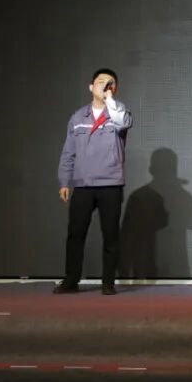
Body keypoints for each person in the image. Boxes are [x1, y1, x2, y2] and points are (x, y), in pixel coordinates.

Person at [54, 68, 133, 295]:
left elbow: (123, 123)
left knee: (110, 235)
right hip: (83, 185)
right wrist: (64, 181)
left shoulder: (119, 112)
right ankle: (71, 281)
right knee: (75, 235)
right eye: (100, 81)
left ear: (114, 88)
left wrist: (109, 100)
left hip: (110, 184)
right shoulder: (78, 118)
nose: (105, 85)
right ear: (90, 87)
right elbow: (68, 152)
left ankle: (108, 283)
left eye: (110, 82)